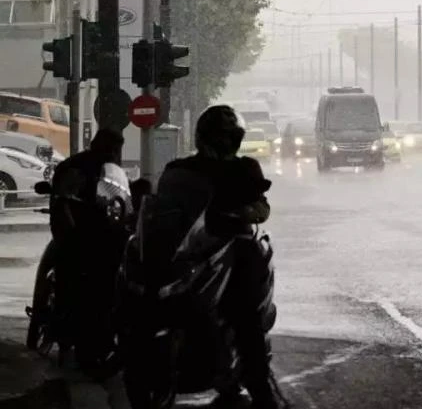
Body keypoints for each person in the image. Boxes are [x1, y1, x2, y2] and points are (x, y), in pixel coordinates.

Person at [157, 105, 287, 409]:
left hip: (229, 247)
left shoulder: (244, 169)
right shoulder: (181, 169)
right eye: (218, 137)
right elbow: (162, 201)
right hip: (189, 247)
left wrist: (242, 211)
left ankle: (260, 388)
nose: (223, 143)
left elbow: (261, 208)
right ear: (204, 137)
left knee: (244, 315)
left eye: (229, 137)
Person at [48, 128, 126, 376]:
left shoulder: (111, 172)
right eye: (112, 148)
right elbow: (63, 201)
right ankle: (64, 329)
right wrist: (70, 230)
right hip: (78, 237)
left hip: (106, 236)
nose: (114, 153)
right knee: (72, 281)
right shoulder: (78, 168)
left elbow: (122, 198)